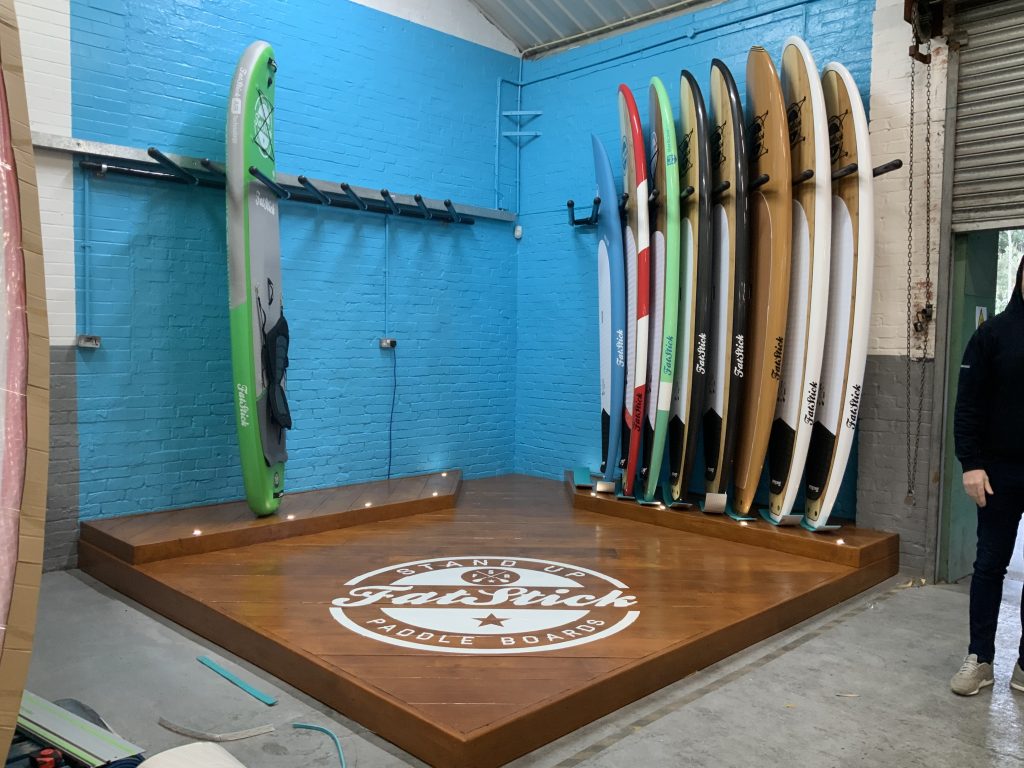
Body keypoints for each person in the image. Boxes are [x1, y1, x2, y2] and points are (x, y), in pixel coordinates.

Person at [950, 255, 1024, 696]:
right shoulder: (992, 334)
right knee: (990, 566)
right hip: (998, 472)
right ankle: (980, 658)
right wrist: (971, 463)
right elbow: (968, 404)